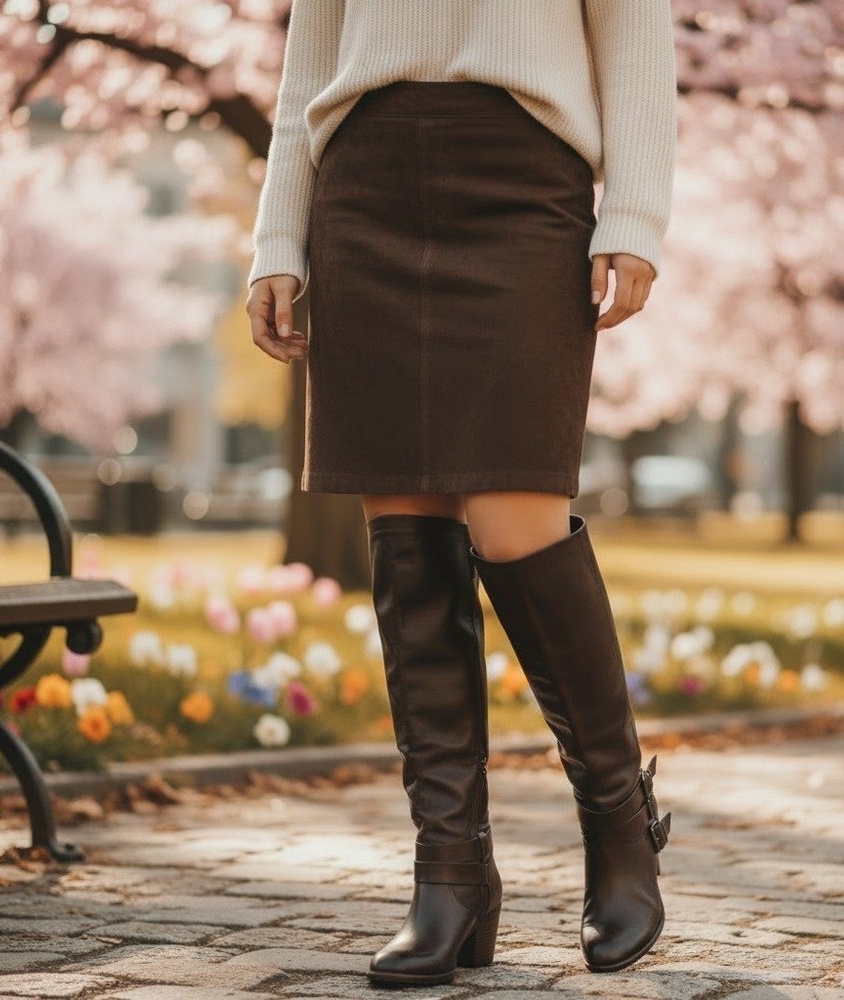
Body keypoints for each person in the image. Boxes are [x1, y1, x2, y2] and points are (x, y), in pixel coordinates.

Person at [245, 0, 677, 987]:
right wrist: (278, 235)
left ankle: (618, 829)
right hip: (362, 182)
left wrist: (636, 215)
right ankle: (449, 874)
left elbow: (637, 41)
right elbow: (306, 62)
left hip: (524, 182)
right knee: (404, 523)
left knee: (514, 514)